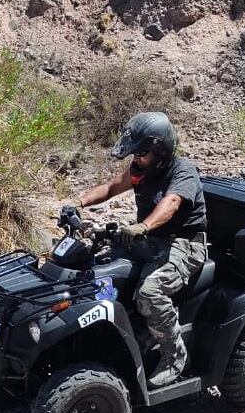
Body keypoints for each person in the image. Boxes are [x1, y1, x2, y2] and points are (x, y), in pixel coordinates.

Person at [64, 112, 208, 388]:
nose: (137, 158)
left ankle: (174, 353)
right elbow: (111, 187)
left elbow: (172, 202)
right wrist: (78, 203)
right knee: (96, 268)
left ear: (160, 150)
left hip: (183, 244)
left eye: (142, 152)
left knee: (150, 292)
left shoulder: (182, 171)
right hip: (149, 238)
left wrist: (144, 225)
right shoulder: (142, 169)